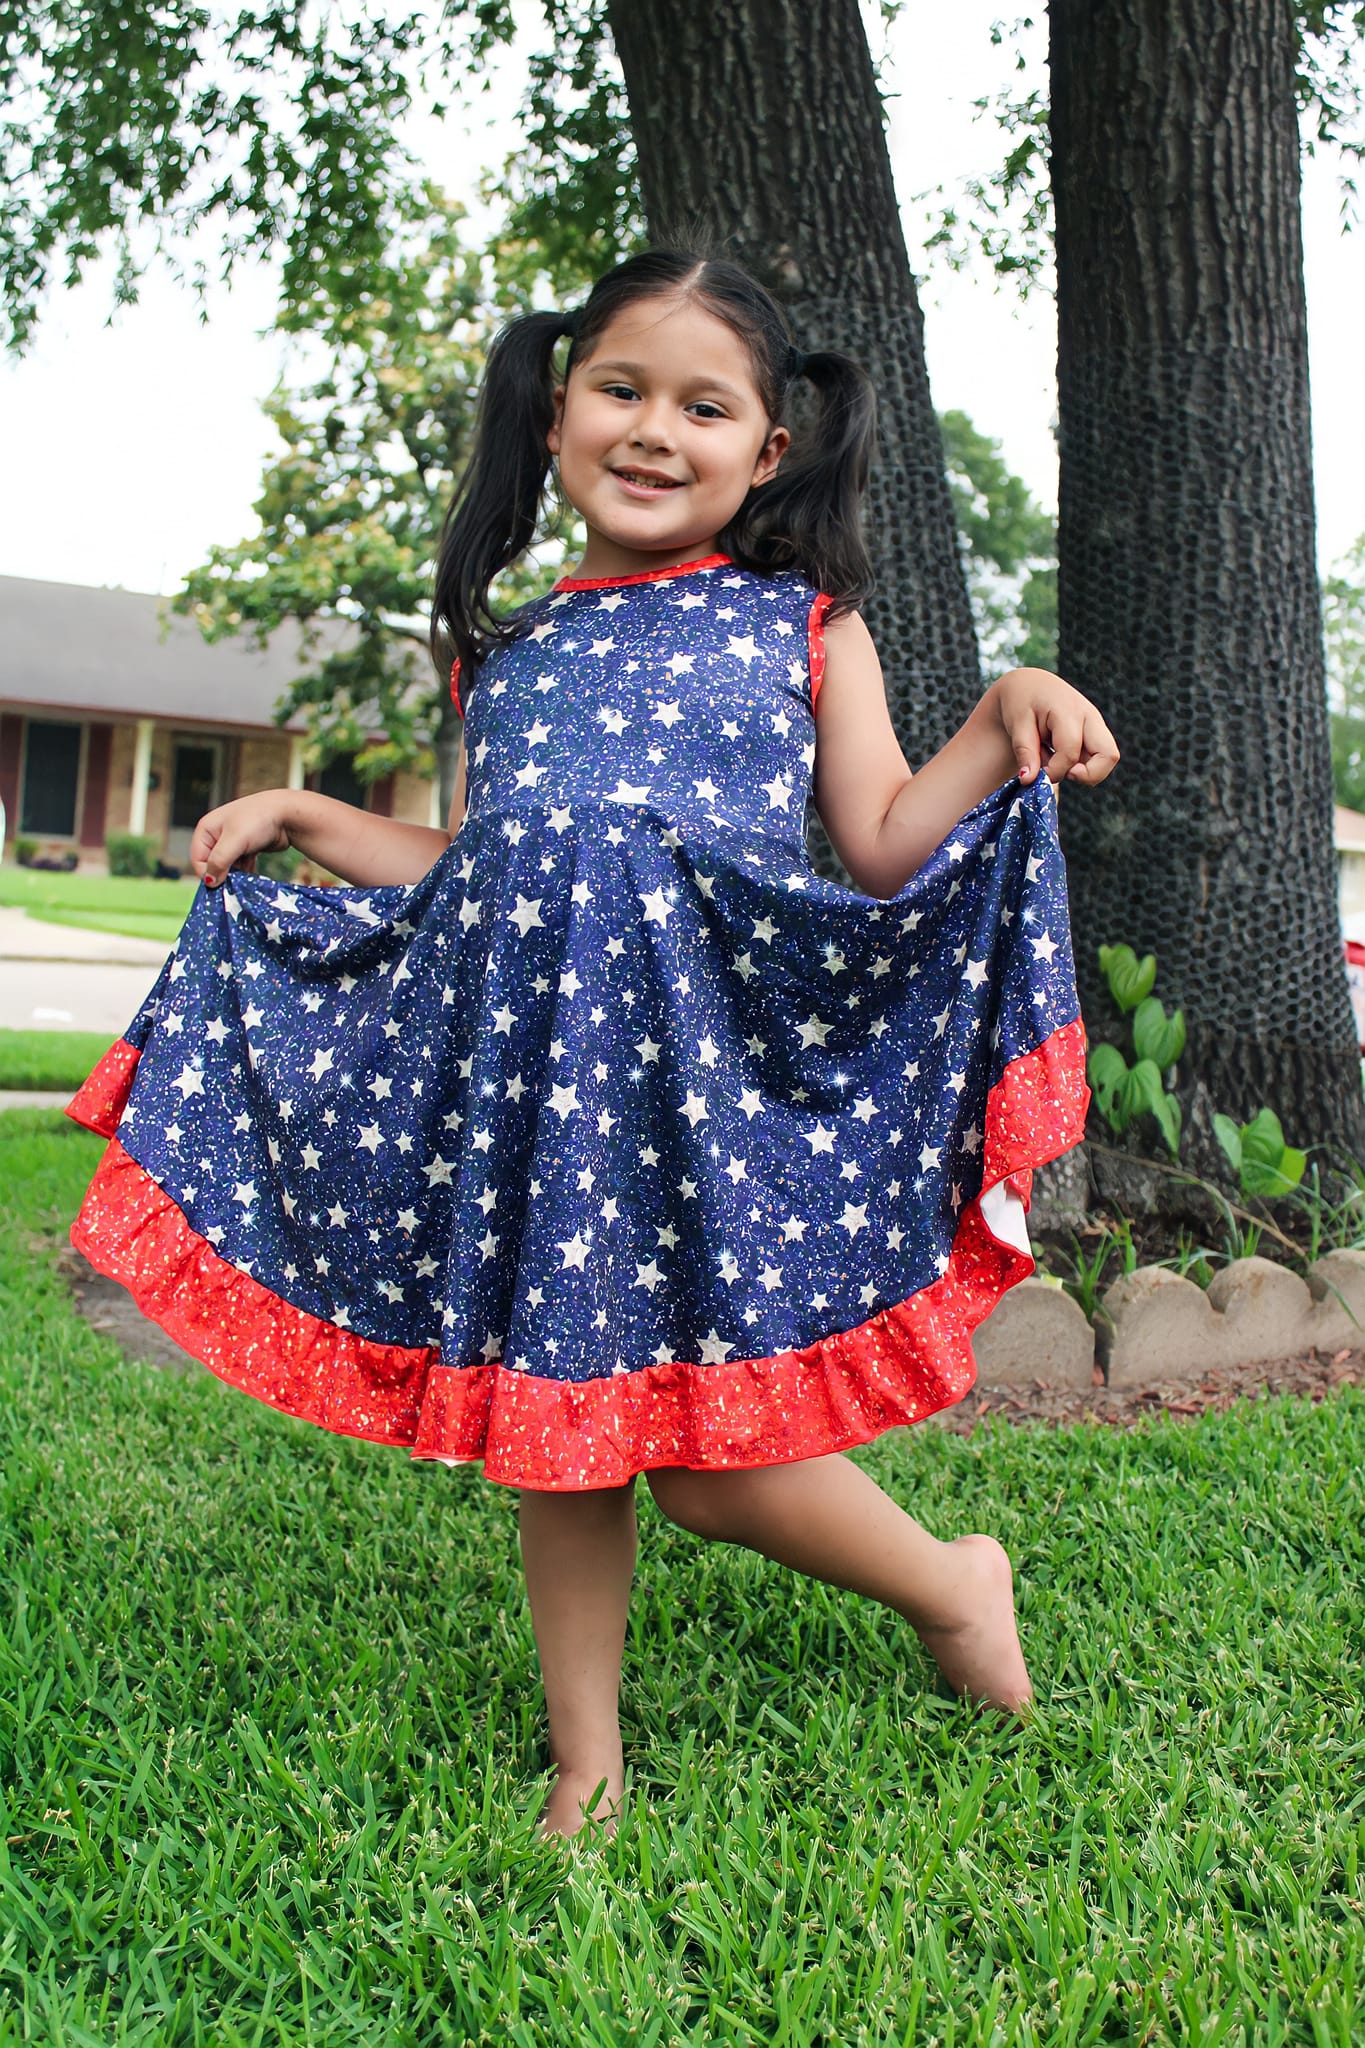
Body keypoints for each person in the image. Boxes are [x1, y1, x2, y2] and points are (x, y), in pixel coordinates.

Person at [67, 243, 1119, 1845]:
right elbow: (485, 869)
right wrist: (310, 814)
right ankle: (589, 1760)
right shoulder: (510, 655)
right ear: (559, 411)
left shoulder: (800, 623)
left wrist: (1001, 710)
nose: (653, 430)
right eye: (621, 390)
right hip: (547, 1101)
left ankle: (952, 1582)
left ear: (766, 450)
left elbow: (885, 844)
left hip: (711, 1095)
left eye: (703, 407)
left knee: (706, 1464)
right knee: (557, 1432)